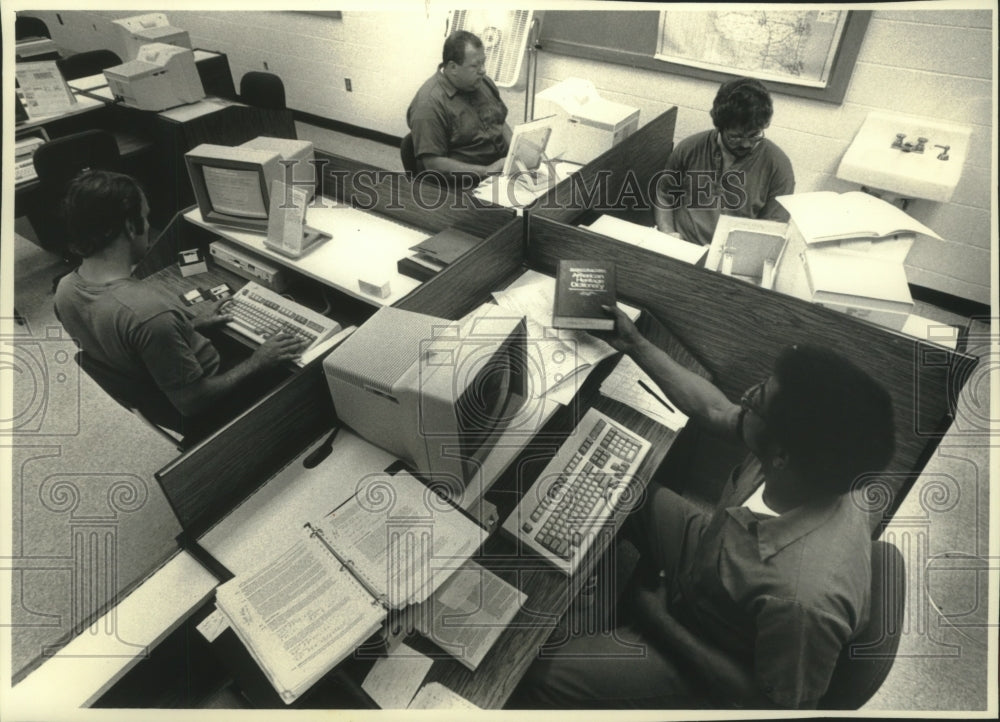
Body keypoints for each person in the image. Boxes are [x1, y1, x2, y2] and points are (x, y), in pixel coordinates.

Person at [510, 305, 896, 710]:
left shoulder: (802, 602)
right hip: (716, 560)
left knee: (539, 675)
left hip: (711, 651)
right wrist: (633, 344)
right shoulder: (816, 463)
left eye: (759, 399)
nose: (745, 397)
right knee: (622, 485)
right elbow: (715, 411)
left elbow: (765, 704)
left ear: (781, 456)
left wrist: (654, 618)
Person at [54, 170, 306, 440]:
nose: (148, 226)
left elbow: (128, 341)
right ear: (130, 227)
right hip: (210, 402)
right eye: (146, 217)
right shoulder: (150, 314)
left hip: (159, 390)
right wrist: (257, 361)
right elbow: (194, 402)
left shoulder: (65, 289)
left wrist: (190, 325)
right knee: (298, 368)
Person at [654, 77, 795, 247]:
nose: (745, 144)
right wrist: (668, 233)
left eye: (754, 135)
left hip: (732, 259)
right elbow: (664, 195)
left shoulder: (778, 166)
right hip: (684, 248)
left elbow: (772, 229)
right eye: (735, 137)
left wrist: (726, 256)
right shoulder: (689, 148)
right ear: (719, 127)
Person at [406, 30, 512, 183]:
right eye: (475, 66)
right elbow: (433, 164)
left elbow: (500, 123)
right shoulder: (428, 104)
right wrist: (488, 171)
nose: (483, 70)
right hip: (465, 184)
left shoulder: (483, 83)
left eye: (483, 62)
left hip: (501, 172)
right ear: (453, 67)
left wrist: (517, 153)